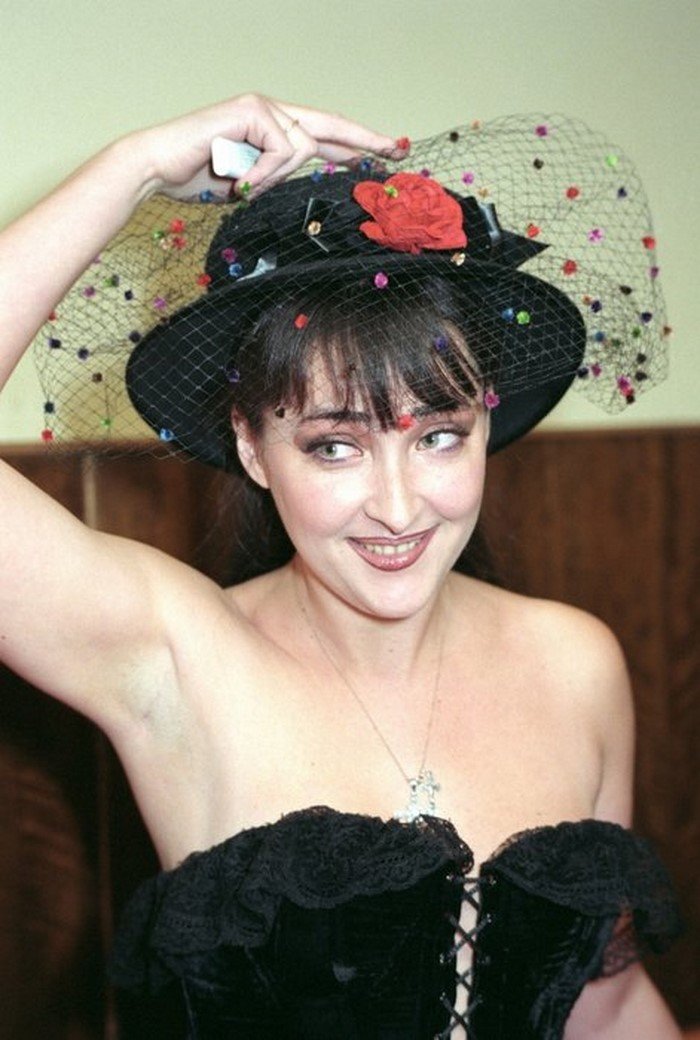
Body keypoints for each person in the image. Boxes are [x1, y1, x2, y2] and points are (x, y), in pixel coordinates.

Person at [0, 93, 682, 1039]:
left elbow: (603, 1008)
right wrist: (134, 167)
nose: (398, 508)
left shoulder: (577, 661)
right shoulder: (174, 658)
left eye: (439, 436)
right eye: (334, 447)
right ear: (252, 446)